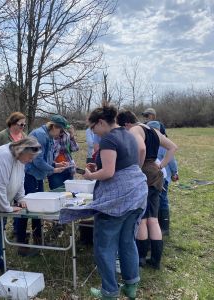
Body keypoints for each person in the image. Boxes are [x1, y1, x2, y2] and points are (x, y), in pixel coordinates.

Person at [59, 105, 148, 300]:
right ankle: (131, 286)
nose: (93, 132)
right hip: (137, 194)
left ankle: (109, 291)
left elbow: (109, 173)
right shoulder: (129, 134)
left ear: (100, 122)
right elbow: (124, 163)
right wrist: (97, 166)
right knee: (127, 242)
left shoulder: (108, 138)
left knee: (104, 246)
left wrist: (91, 174)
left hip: (118, 201)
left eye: (92, 128)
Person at [117, 110, 178, 270]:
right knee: (153, 218)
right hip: (156, 174)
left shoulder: (135, 130)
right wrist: (161, 165)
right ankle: (156, 260)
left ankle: (142, 258)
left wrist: (136, 169)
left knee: (142, 219)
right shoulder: (153, 130)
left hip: (144, 173)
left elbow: (142, 149)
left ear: (126, 124)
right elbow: (173, 147)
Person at [0, 137, 42, 281]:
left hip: (2, 204)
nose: (31, 160)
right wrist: (6, 207)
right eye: (30, 156)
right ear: (22, 150)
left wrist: (21, 198)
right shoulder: (3, 156)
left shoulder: (20, 158)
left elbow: (20, 179)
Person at [16, 115, 69, 256]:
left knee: (39, 209)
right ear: (54, 127)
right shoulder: (40, 136)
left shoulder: (49, 137)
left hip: (38, 176)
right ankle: (21, 244)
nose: (61, 134)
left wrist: (56, 164)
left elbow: (46, 159)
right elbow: (37, 161)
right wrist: (53, 170)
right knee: (26, 209)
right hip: (30, 176)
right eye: (61, 131)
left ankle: (39, 241)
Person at [147, 121, 179, 236]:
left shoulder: (162, 142)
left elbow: (172, 160)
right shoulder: (147, 141)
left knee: (163, 200)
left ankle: (165, 226)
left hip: (163, 177)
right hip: (152, 177)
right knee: (155, 201)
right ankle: (156, 225)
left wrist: (175, 173)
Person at [48, 118, 79, 190]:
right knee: (57, 192)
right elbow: (52, 151)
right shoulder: (49, 137)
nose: (62, 131)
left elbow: (75, 148)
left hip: (68, 168)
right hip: (55, 169)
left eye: (63, 129)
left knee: (70, 193)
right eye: (60, 128)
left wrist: (72, 136)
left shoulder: (66, 135)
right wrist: (56, 138)